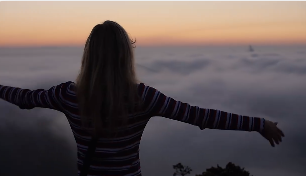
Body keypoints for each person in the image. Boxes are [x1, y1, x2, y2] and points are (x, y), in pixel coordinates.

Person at [0, 20, 284, 176]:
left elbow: (24, 98)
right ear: (126, 55)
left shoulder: (69, 95)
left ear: (89, 55)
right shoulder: (143, 97)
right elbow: (200, 116)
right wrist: (258, 124)